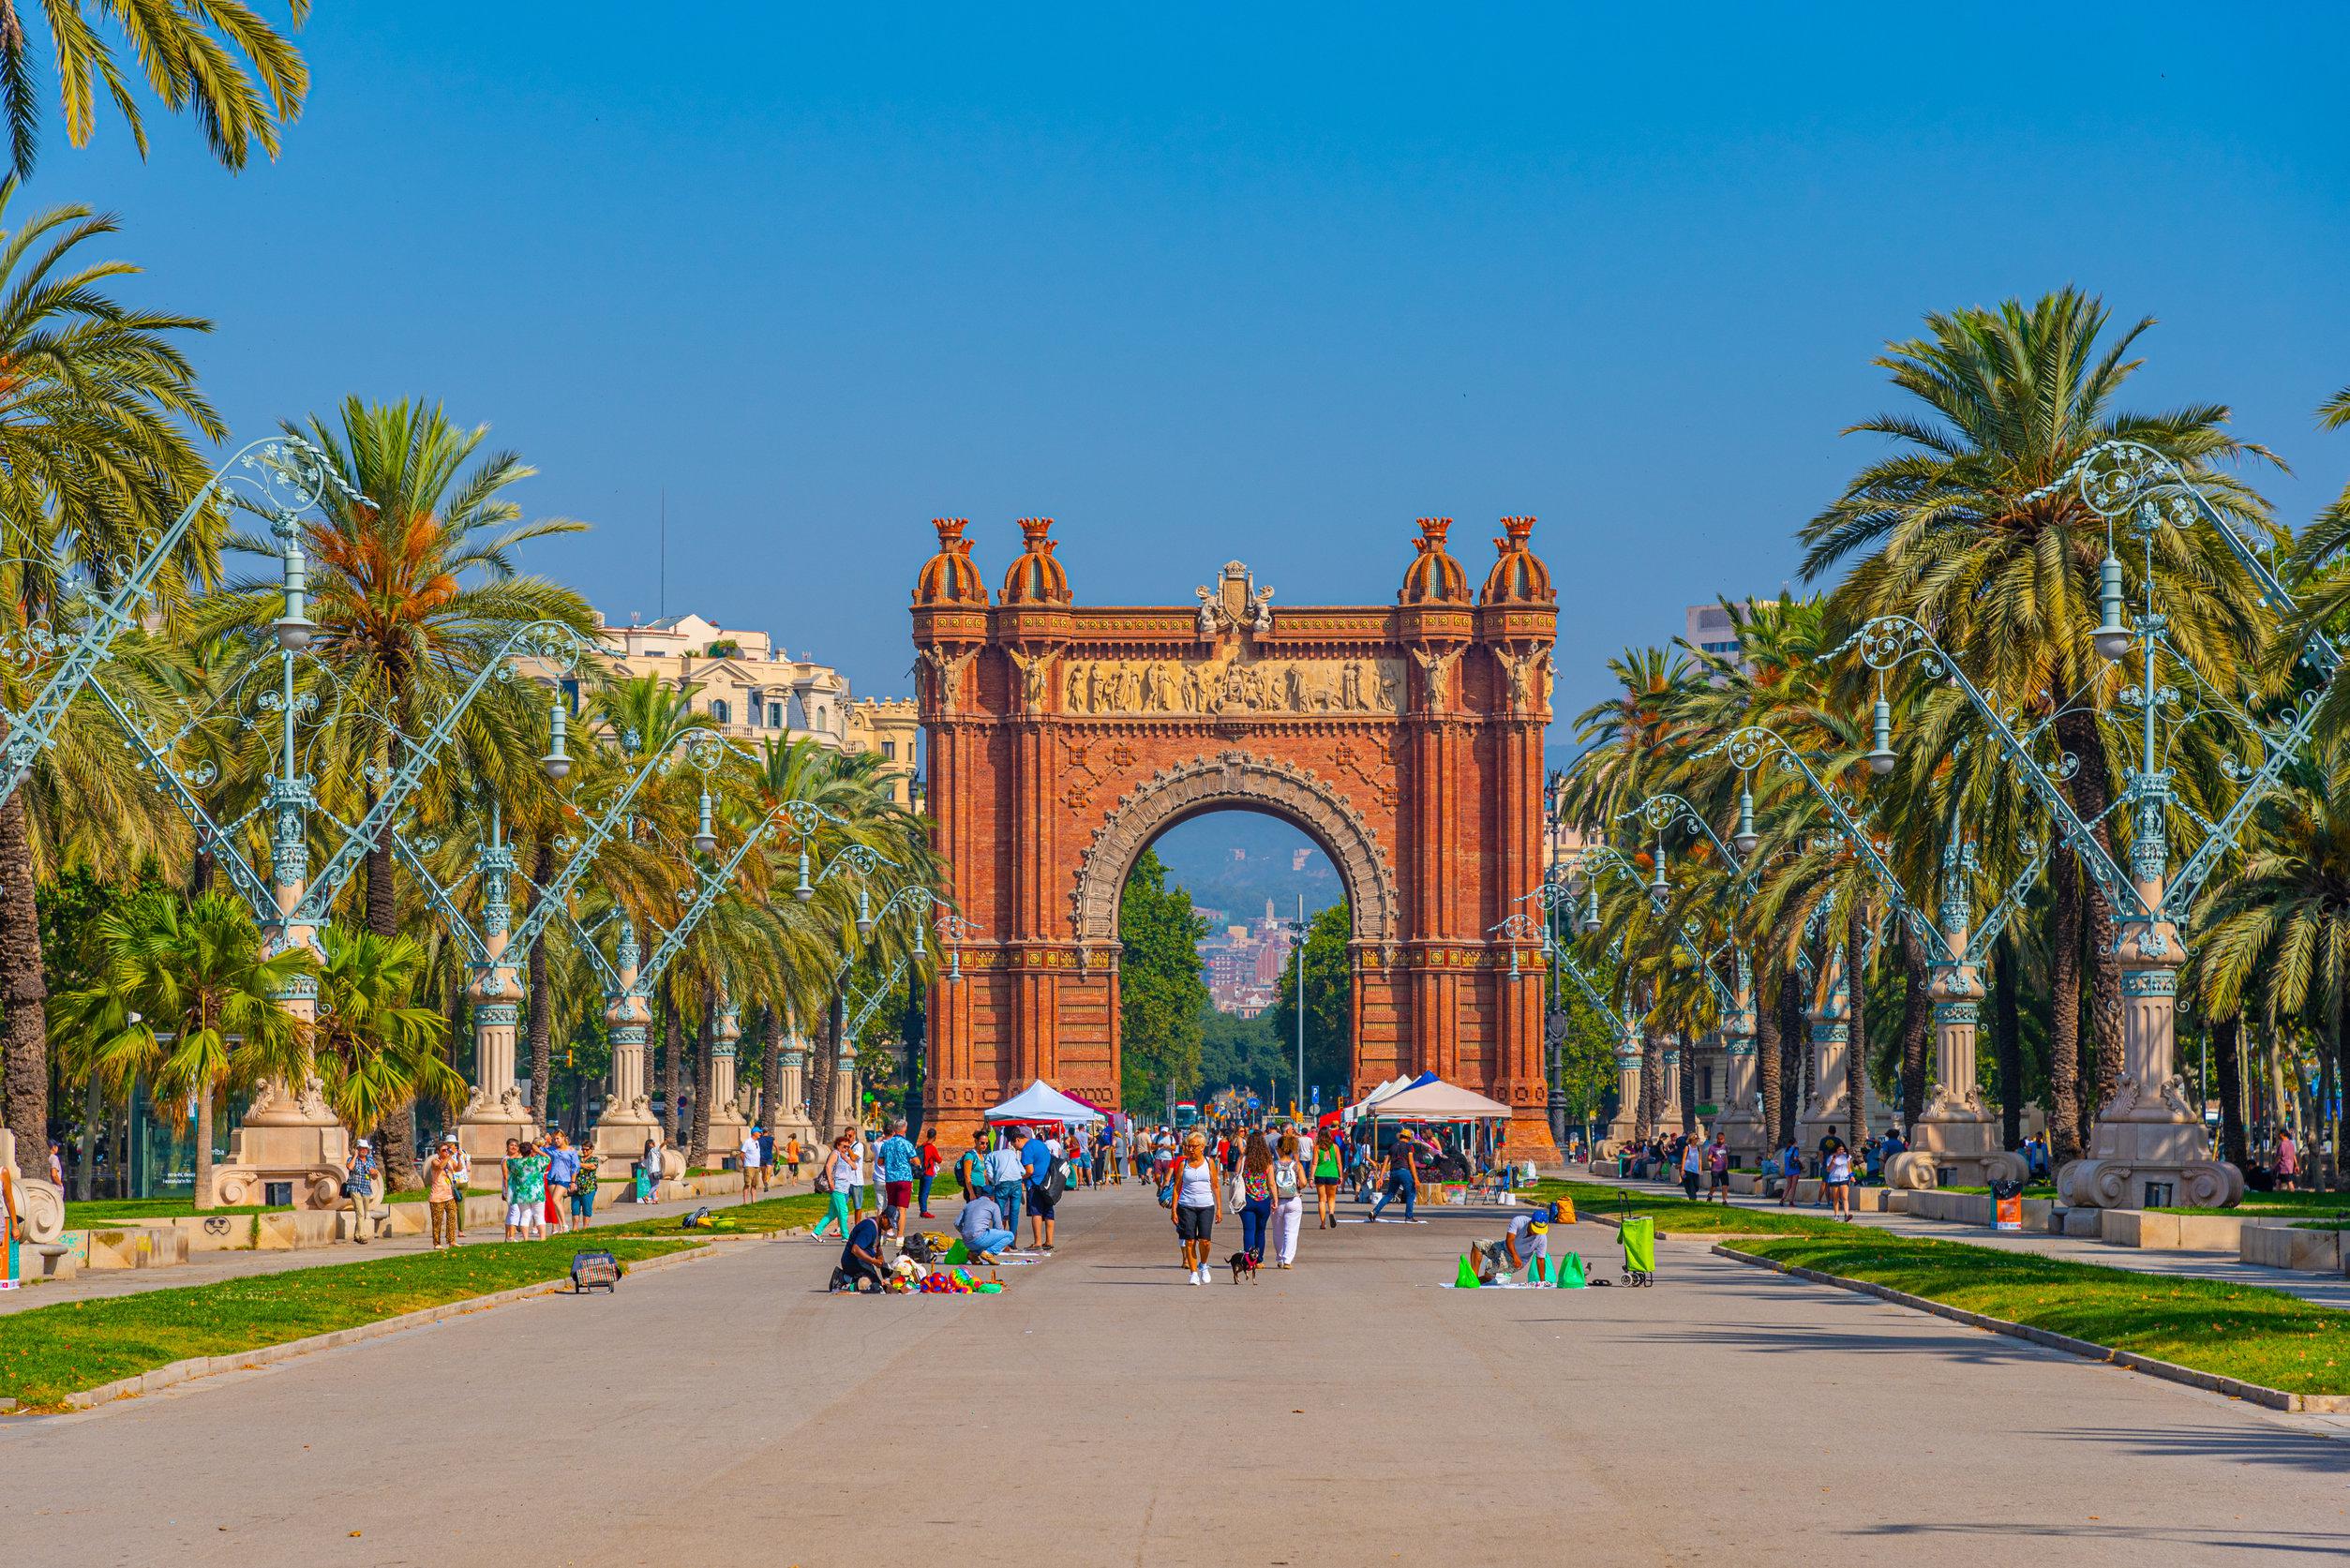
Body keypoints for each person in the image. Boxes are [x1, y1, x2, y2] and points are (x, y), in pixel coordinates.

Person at [1172, 1130, 1222, 1284]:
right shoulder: (1183, 1164)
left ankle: (1203, 1265)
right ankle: (1193, 1273)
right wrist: (1174, 1209)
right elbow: (1177, 1188)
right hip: (1186, 1206)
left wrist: (1219, 1208)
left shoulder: (1209, 1162)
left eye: (1194, 1146)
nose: (1190, 1149)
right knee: (1190, 1241)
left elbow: (1215, 1186)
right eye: (1189, 1146)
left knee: (1205, 1241)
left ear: (1202, 1147)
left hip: (1206, 1205)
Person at [1471, 1202, 1564, 1283]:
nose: (1536, 1233)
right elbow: (1509, 1240)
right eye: (1535, 1229)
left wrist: (1542, 1281)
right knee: (1478, 1245)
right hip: (1504, 1247)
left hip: (1518, 1262)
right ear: (1531, 1222)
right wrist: (1515, 1255)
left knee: (1490, 1267)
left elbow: (1540, 1259)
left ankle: (1485, 1279)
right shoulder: (1519, 1221)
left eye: (1540, 1230)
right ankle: (1473, 1279)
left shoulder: (1542, 1238)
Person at [1235, 1130, 1276, 1262]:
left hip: (1246, 1199)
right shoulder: (1267, 1160)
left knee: (1248, 1230)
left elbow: (1237, 1175)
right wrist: (1275, 1199)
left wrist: (1242, 1157)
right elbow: (1271, 1183)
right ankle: (1259, 1260)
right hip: (1263, 1200)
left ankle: (1248, 1259)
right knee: (1260, 1231)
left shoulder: (1244, 1159)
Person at [1268, 1131, 1306, 1267]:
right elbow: (1303, 1182)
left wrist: (1275, 1198)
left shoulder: (1273, 1165)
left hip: (1277, 1201)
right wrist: (1297, 1187)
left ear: (1278, 1149)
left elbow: (1271, 1183)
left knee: (1278, 1230)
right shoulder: (1297, 1165)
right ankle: (1287, 1260)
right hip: (1294, 1199)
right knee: (1291, 1231)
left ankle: (1279, 1257)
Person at [1367, 1128, 1419, 1222]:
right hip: (1404, 1171)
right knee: (1411, 1193)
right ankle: (1409, 1216)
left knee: (1389, 1194)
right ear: (1408, 1138)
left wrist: (1381, 1178)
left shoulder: (1393, 1146)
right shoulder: (1408, 1147)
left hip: (1393, 1172)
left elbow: (1385, 1163)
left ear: (1401, 1137)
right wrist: (1416, 1178)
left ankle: (1375, 1212)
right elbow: (1411, 1163)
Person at [987, 1127, 1029, 1243]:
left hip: (1002, 1183)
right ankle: (1012, 1243)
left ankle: (998, 1241)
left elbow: (990, 1174)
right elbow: (1022, 1171)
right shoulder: (1011, 1153)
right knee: (1014, 1214)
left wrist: (995, 1182)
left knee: (999, 1214)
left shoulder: (991, 1156)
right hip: (1016, 1182)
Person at [1024, 1122, 1061, 1251]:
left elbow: (1029, 1170)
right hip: (1048, 1184)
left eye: (1014, 1144)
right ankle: (1049, 1241)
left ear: (1018, 1139)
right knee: (1049, 1212)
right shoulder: (1041, 1144)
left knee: (1036, 1212)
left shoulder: (1027, 1148)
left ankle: (1037, 1242)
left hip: (1035, 1185)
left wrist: (1021, 1178)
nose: (1015, 1147)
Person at [876, 1119, 917, 1238]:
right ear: (905, 1129)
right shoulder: (907, 1144)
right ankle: (900, 1236)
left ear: (894, 1129)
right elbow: (917, 1161)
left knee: (891, 1207)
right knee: (902, 1209)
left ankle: (883, 1234)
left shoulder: (886, 1144)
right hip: (904, 1179)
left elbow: (880, 1162)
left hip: (890, 1180)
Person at [812, 1132, 857, 1239]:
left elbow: (854, 1167)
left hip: (844, 1188)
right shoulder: (835, 1153)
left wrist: (846, 1158)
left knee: (832, 1214)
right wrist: (831, 1182)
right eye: (844, 1146)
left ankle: (816, 1232)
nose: (846, 1149)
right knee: (843, 1211)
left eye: (848, 1147)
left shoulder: (844, 1156)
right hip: (837, 1188)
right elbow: (828, 1166)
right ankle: (846, 1236)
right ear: (838, 1145)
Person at [835, 1206, 888, 1293]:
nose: (890, 1227)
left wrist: (881, 1257)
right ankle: (843, 1279)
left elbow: (876, 1246)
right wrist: (874, 1261)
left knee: (877, 1285)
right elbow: (855, 1250)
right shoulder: (869, 1228)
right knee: (867, 1285)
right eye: (889, 1223)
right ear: (884, 1217)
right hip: (853, 1262)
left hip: (864, 1262)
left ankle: (851, 1279)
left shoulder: (878, 1227)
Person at [957, 1187, 1014, 1263]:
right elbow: (998, 1226)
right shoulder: (993, 1205)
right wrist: (1001, 1244)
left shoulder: (969, 1204)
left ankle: (973, 1254)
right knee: (1010, 1235)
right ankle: (989, 1253)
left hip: (966, 1241)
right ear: (992, 1197)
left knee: (985, 1235)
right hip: (979, 1238)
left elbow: (957, 1223)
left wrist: (965, 1232)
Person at [425, 1136, 462, 1249]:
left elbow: (458, 1169)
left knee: (452, 1217)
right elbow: (440, 1167)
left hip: (449, 1195)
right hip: (437, 1197)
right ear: (438, 1152)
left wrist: (459, 1157)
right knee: (437, 1221)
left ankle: (452, 1240)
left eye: (447, 1150)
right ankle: (437, 1243)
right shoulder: (434, 1161)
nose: (446, 1152)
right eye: (444, 1150)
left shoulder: (450, 1161)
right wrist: (450, 1155)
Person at [345, 1138, 380, 1244]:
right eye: (362, 1149)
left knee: (364, 1213)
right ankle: (362, 1236)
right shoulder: (352, 1159)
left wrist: (375, 1173)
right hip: (355, 1188)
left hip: (366, 1189)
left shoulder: (370, 1161)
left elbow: (374, 1177)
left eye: (366, 1149)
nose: (364, 1150)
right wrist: (355, 1156)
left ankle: (357, 1235)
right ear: (358, 1149)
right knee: (359, 1212)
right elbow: (350, 1167)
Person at [546, 1130, 580, 1232]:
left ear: (563, 1138)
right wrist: (542, 1141)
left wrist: (573, 1182)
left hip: (564, 1178)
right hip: (552, 1177)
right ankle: (560, 1227)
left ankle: (565, 1225)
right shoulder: (552, 1149)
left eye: (558, 1138)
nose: (556, 1141)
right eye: (554, 1139)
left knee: (556, 1199)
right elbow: (537, 1148)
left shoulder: (571, 1150)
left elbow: (575, 1167)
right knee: (555, 1202)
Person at [1312, 1125, 1343, 1228]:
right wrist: (1341, 1176)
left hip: (1320, 1174)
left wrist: (1311, 1177)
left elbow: (1314, 1164)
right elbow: (1339, 1163)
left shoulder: (1317, 1148)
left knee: (1321, 1199)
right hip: (1332, 1174)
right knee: (1331, 1198)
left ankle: (1323, 1223)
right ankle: (1331, 1213)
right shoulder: (1335, 1147)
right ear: (1329, 1135)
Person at [953, 1127, 988, 1202]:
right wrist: (971, 1193)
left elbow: (984, 1174)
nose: (985, 1145)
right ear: (976, 1141)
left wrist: (988, 1188)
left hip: (982, 1189)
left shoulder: (983, 1156)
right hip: (974, 1189)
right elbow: (967, 1176)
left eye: (986, 1143)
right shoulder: (970, 1156)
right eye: (982, 1143)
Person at [1823, 1137, 1854, 1220]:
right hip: (1834, 1179)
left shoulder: (1847, 1156)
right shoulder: (1831, 1157)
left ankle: (1846, 1215)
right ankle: (1836, 1216)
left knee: (1844, 1197)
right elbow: (1828, 1170)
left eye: (1843, 1149)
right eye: (1840, 1149)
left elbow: (1849, 1168)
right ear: (1836, 1149)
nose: (1841, 1151)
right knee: (1836, 1198)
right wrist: (1832, 1163)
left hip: (1844, 1178)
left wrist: (1852, 1176)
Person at [572, 1145, 601, 1227]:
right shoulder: (578, 1157)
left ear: (591, 1150)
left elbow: (591, 1166)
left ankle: (585, 1227)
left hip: (589, 1188)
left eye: (586, 1149)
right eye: (582, 1149)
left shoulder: (594, 1159)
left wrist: (578, 1164)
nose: (584, 1151)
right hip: (576, 1188)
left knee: (586, 1209)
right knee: (574, 1209)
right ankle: (575, 1228)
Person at [917, 1128, 942, 1218]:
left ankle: (922, 1209)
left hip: (921, 1171)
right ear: (935, 1137)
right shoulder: (932, 1148)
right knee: (925, 1192)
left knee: (921, 1192)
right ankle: (924, 1211)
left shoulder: (922, 1146)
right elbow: (939, 1160)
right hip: (928, 1172)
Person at [740, 1123, 765, 1202]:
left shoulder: (757, 1142)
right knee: (747, 1184)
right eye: (759, 1132)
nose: (760, 1133)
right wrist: (745, 1163)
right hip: (749, 1166)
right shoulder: (747, 1142)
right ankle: (745, 1201)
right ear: (754, 1133)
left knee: (754, 1184)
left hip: (757, 1166)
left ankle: (754, 1201)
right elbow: (742, 1154)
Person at [1776, 1139, 1804, 1207]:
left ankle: (1782, 1199)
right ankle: (1791, 1202)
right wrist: (1800, 1162)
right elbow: (1795, 1158)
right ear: (1794, 1143)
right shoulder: (1795, 1149)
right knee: (1793, 1187)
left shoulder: (1786, 1150)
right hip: (1795, 1170)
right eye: (1796, 1142)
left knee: (1788, 1186)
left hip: (1787, 1170)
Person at [1706, 1134, 1729, 1203]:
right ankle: (1710, 1195)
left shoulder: (1725, 1147)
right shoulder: (1712, 1147)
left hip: (1723, 1170)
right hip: (1715, 1170)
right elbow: (1708, 1158)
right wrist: (1712, 1159)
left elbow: (1726, 1157)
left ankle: (1724, 1200)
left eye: (1721, 1139)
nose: (1720, 1140)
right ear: (1717, 1139)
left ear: (1724, 1139)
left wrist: (1726, 1165)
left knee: (1725, 1185)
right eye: (1719, 1139)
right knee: (1714, 1186)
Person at [1679, 1134, 1703, 1202]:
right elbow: (1684, 1159)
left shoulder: (1698, 1148)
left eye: (1697, 1138)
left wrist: (1700, 1168)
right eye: (1695, 1138)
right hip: (1688, 1169)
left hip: (1695, 1170)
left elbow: (1700, 1159)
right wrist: (1682, 1169)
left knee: (1696, 1186)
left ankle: (1691, 1195)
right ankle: (1693, 1199)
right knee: (1691, 1185)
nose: (1697, 1139)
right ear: (1691, 1139)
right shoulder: (1687, 1147)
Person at [2276, 1127, 2300, 1191]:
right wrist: (2296, 1165)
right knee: (2278, 1181)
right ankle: (2276, 1196)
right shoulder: (2291, 1144)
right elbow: (2294, 1155)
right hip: (2289, 1167)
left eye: (2279, 1134)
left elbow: (2279, 1157)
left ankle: (2292, 1194)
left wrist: (2273, 1166)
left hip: (2284, 1167)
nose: (2278, 1135)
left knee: (2289, 1182)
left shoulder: (2282, 1145)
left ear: (2282, 1135)